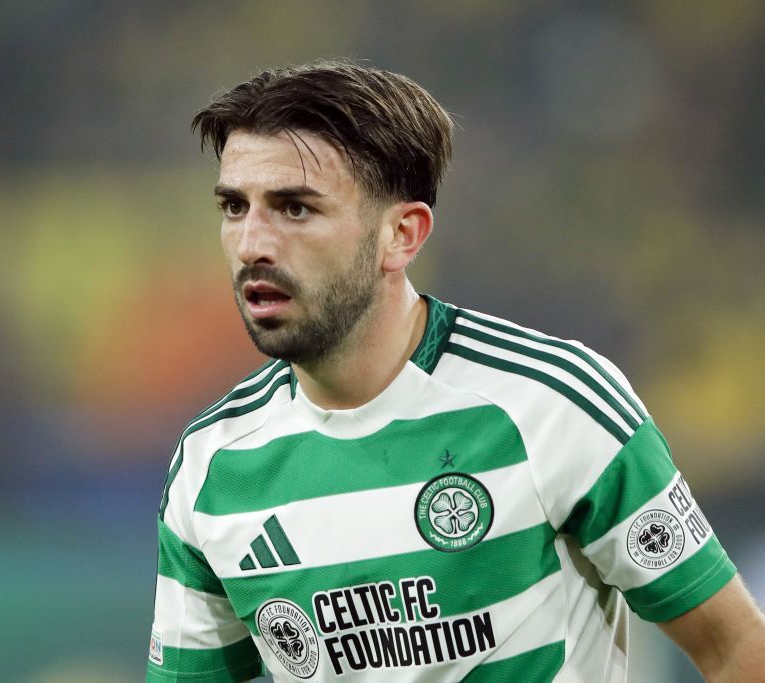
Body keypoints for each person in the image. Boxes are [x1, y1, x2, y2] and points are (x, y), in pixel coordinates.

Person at [147, 60, 765, 682]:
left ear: (402, 235)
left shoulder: (554, 404)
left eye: (295, 208)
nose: (253, 242)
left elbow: (735, 647)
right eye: (234, 206)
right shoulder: (211, 465)